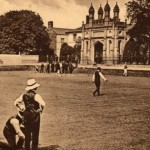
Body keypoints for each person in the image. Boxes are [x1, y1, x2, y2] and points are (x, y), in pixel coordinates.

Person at [14, 79, 45, 150]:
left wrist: (21, 108)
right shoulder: (36, 95)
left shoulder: (23, 95)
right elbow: (43, 103)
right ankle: (34, 148)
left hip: (26, 115)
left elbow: (16, 102)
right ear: (35, 87)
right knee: (35, 134)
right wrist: (40, 109)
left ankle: (27, 148)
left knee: (27, 134)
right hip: (35, 116)